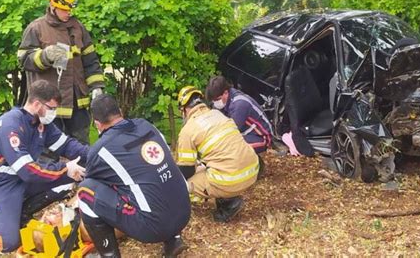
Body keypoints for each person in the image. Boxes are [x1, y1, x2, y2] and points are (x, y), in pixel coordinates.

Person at [0, 80, 88, 253]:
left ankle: (19, 212)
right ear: (37, 104)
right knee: (6, 243)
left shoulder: (42, 123)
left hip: (20, 179)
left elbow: (68, 146)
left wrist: (97, 155)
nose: (54, 113)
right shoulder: (11, 126)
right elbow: (29, 172)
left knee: (68, 182)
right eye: (51, 108)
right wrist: (65, 169)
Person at [77, 94, 191, 257]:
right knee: (150, 176)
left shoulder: (100, 150)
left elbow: (96, 182)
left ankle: (109, 255)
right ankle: (174, 239)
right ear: (121, 112)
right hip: (184, 212)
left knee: (85, 191)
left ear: (97, 124)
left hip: (154, 227)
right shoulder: (146, 125)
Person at [18, 0, 105, 144]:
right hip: (48, 105)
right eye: (64, 9)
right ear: (52, 5)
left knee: (81, 148)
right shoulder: (36, 28)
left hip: (77, 105)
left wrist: (97, 87)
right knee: (49, 152)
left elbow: (91, 61)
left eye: (70, 9)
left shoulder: (78, 28)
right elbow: (24, 59)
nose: (68, 13)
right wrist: (45, 56)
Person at [176, 86, 259, 223]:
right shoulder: (217, 114)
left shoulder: (188, 130)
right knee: (207, 166)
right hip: (252, 170)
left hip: (231, 178)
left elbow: (186, 169)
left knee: (183, 183)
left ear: (184, 109)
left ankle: (229, 203)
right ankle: (227, 197)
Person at [205, 76, 273, 174]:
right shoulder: (227, 100)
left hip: (262, 137)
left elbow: (230, 132)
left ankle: (255, 168)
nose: (216, 103)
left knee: (230, 147)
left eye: (218, 99)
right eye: (214, 101)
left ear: (225, 92)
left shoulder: (239, 105)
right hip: (248, 133)